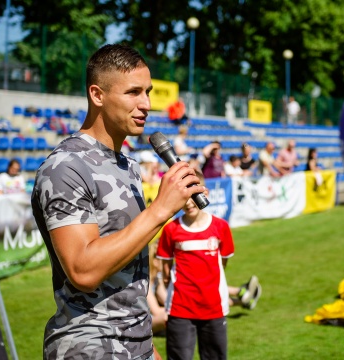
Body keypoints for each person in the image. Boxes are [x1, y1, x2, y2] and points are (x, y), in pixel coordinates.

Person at [31, 44, 205, 360]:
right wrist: (160, 210)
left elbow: (129, 275)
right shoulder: (65, 167)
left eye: (148, 92)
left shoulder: (128, 165)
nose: (147, 104)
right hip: (89, 346)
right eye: (133, 92)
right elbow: (82, 270)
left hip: (136, 344)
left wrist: (147, 346)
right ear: (97, 95)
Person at [156, 170, 236, 360]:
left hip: (214, 307)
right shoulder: (170, 230)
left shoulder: (221, 227)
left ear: (204, 193)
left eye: (193, 196)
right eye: (184, 197)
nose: (189, 202)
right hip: (179, 309)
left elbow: (222, 263)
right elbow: (165, 269)